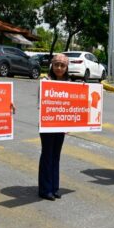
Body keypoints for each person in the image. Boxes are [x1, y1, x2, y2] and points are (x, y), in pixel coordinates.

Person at [38, 53, 71, 201]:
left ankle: (54, 187)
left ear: (66, 67)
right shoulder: (45, 80)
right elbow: (42, 101)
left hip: (61, 124)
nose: (59, 68)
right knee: (47, 155)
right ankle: (45, 189)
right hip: (47, 123)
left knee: (56, 156)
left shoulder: (69, 82)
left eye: (62, 65)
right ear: (52, 65)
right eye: (56, 65)